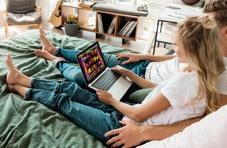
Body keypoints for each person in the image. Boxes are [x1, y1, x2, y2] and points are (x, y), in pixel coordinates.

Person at [5, 16, 227, 147]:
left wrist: (112, 100)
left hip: (123, 127)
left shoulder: (188, 81)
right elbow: (160, 95)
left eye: (176, 45)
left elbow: (140, 116)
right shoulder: (202, 75)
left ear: (192, 49)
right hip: (128, 114)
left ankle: (25, 89)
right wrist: (129, 77)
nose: (173, 49)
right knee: (73, 87)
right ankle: (25, 77)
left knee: (65, 101)